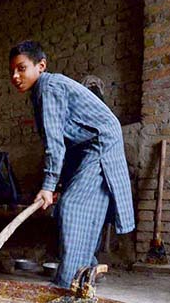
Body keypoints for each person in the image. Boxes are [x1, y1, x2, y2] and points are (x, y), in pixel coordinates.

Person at [9, 40, 134, 288]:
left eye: (21, 68)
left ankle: (68, 287)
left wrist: (47, 185)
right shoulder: (39, 92)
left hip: (101, 144)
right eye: (12, 71)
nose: (15, 76)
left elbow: (55, 145)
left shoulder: (49, 88)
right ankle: (84, 278)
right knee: (78, 208)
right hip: (86, 148)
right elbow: (65, 144)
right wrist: (58, 184)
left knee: (72, 207)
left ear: (41, 66)